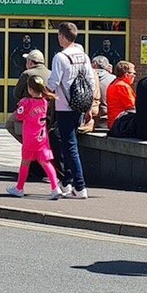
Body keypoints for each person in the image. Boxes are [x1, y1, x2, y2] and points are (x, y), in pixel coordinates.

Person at [47, 21, 97, 199]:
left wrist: (42, 92)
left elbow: (53, 82)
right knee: (69, 144)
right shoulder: (84, 56)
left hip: (64, 106)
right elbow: (91, 81)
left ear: (62, 36)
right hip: (80, 105)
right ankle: (67, 182)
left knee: (70, 146)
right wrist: (89, 106)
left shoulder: (60, 57)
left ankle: (79, 186)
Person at [6, 76, 64, 200]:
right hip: (42, 137)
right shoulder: (44, 102)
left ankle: (19, 188)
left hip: (30, 137)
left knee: (25, 162)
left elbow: (19, 116)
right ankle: (55, 187)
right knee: (46, 162)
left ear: (30, 89)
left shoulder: (26, 102)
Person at [5, 49, 51, 143]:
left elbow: (17, 94)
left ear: (30, 62)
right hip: (48, 109)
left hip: (31, 109)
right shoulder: (50, 73)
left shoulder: (27, 74)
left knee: (10, 123)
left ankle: (28, 143)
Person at [106, 61, 137, 134]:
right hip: (121, 124)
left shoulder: (113, 83)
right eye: (133, 73)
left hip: (114, 123)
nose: (134, 76)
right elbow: (132, 107)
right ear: (126, 74)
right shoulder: (123, 86)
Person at [90, 55, 114, 129]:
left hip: (90, 119)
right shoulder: (113, 79)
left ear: (94, 64)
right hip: (108, 120)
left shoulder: (88, 78)